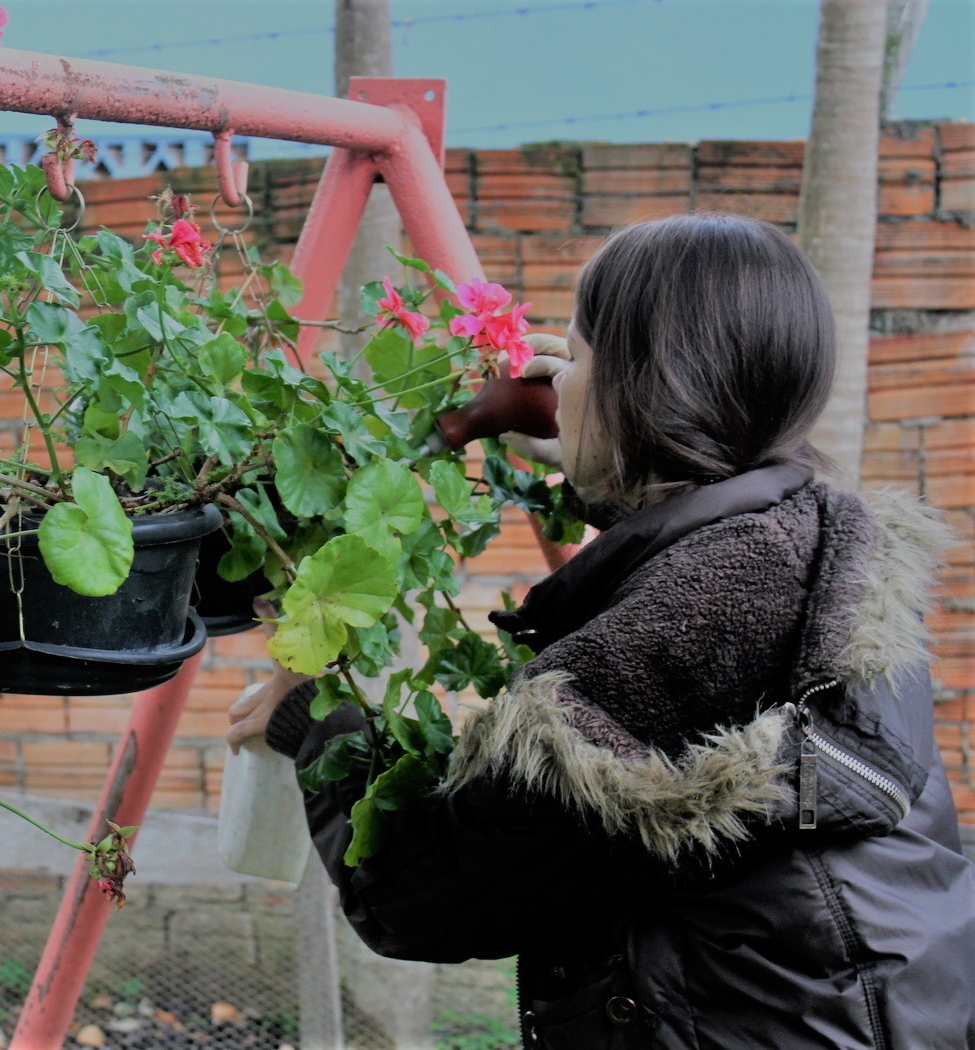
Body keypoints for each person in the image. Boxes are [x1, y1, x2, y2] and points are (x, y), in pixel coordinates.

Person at [227, 213, 975, 1049]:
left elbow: (417, 896)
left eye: (577, 358)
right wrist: (609, 454)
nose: (556, 382)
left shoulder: (681, 637)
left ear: (637, 384)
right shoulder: (816, 549)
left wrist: (314, 715)